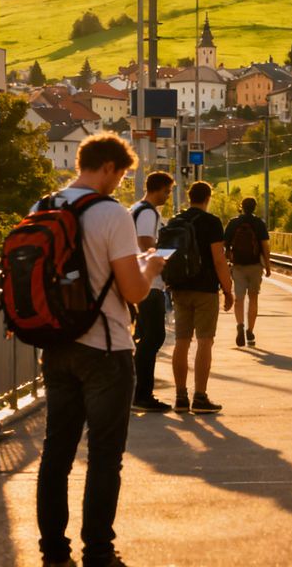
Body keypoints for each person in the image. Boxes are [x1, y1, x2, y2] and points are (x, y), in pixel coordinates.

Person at [35, 133, 166, 567]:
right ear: (108, 167)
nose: (121, 183)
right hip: (106, 348)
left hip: (55, 346)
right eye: (121, 174)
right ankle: (98, 551)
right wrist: (149, 268)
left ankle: (53, 550)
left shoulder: (43, 207)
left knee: (57, 451)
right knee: (104, 457)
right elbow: (133, 289)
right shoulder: (111, 214)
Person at [168, 181, 233, 414]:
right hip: (205, 289)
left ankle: (180, 398)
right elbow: (218, 260)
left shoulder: (176, 220)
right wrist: (228, 290)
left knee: (181, 342)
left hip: (179, 287)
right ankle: (200, 397)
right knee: (205, 341)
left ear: (189, 196)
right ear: (208, 197)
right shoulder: (212, 222)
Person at [129, 171, 174, 413]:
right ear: (157, 189)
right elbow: (145, 240)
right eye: (167, 191)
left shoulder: (135, 208)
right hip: (149, 282)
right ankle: (142, 394)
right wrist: (159, 261)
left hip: (139, 279)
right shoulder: (147, 211)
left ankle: (138, 391)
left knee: (145, 337)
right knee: (153, 337)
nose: (168, 196)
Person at [224, 196, 272, 347]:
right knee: (253, 298)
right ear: (254, 207)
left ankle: (240, 325)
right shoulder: (259, 223)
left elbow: (224, 245)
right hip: (255, 266)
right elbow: (265, 246)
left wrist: (228, 260)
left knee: (239, 298)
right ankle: (250, 330)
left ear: (241, 206)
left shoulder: (233, 223)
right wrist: (268, 266)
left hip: (238, 266)